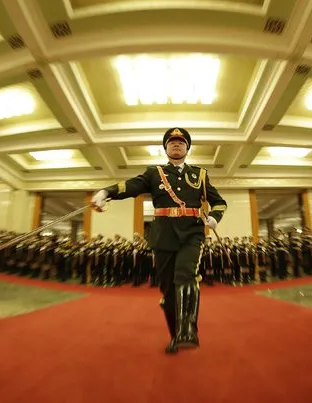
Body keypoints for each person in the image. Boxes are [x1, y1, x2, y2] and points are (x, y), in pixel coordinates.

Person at [90, 127, 227, 354]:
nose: (176, 144)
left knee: (187, 274)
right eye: (171, 142)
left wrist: (214, 216)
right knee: (168, 290)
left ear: (187, 148)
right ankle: (175, 334)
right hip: (163, 236)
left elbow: (219, 202)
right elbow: (131, 186)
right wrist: (106, 192)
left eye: (181, 142)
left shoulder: (200, 175)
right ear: (165, 148)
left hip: (192, 234)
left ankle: (188, 330)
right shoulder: (154, 173)